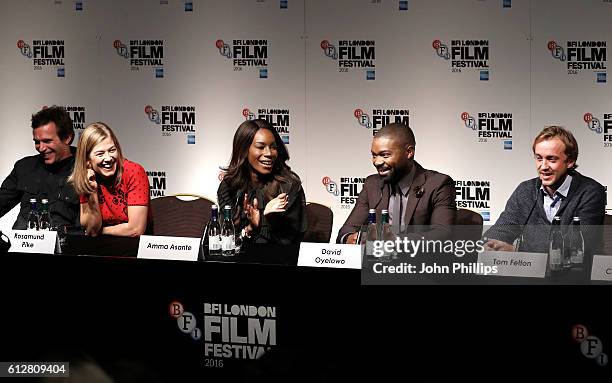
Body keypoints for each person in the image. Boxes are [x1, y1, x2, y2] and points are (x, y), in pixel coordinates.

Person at [484, 126, 605, 253]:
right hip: (528, 271)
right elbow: (499, 231)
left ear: (570, 161)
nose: (543, 167)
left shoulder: (590, 192)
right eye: (539, 158)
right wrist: (491, 244)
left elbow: (577, 248)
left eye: (551, 159)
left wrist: (518, 252)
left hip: (574, 272)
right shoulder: (525, 191)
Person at [337, 123, 456, 244]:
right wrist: (351, 238)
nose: (377, 162)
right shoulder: (371, 184)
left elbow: (442, 234)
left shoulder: (438, 184)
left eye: (385, 155)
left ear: (409, 152)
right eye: (374, 155)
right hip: (377, 261)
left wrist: (394, 242)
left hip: (419, 261)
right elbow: (346, 230)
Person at [217, 119, 307, 245]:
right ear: (244, 149)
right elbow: (224, 240)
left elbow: (291, 244)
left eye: (273, 147)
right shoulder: (229, 186)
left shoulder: (288, 186)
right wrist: (250, 228)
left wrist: (267, 220)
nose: (269, 153)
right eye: (260, 147)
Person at [0, 106, 79, 229]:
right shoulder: (24, 167)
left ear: (67, 138)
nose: (41, 148)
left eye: (47, 141)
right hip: (22, 245)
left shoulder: (87, 167)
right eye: (37, 142)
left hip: (68, 245)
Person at [68, 122, 150, 237]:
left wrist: (101, 232)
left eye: (112, 150)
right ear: (87, 159)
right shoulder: (87, 178)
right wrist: (92, 190)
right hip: (100, 250)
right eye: (100, 154)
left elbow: (135, 230)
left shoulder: (134, 171)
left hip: (131, 249)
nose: (108, 158)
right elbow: (92, 229)